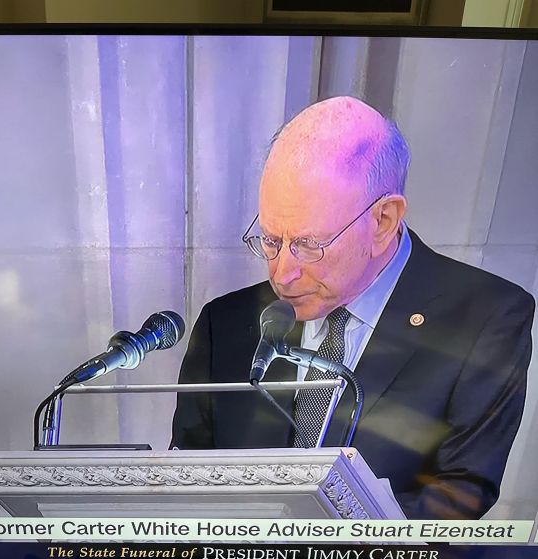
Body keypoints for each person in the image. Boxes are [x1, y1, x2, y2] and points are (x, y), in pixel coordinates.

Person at [171, 97, 535, 519]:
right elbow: (187, 478)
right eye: (271, 240)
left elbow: (461, 493)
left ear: (383, 221)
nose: (282, 274)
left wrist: (319, 538)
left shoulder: (484, 318)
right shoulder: (225, 323)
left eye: (309, 245)